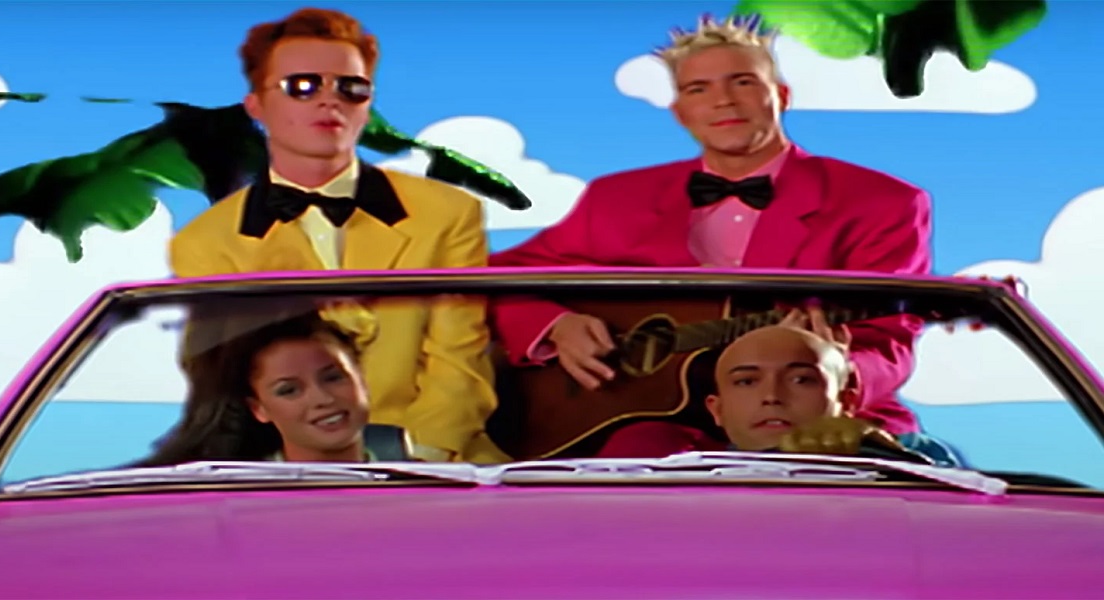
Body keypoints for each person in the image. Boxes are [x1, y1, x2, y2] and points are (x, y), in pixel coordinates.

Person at [489, 14, 952, 463]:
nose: (723, 101)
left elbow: (890, 339)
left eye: (742, 82)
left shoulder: (883, 201)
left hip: (819, 418)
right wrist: (556, 326)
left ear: (781, 95)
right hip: (647, 425)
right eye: (699, 89)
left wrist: (836, 367)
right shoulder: (615, 198)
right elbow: (497, 277)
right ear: (680, 112)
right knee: (624, 483)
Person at [168, 7, 509, 464]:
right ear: (256, 106)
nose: (330, 100)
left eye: (351, 87)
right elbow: (229, 382)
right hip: (291, 468)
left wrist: (414, 460)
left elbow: (460, 361)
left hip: (443, 459)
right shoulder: (205, 243)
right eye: (302, 86)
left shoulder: (448, 212)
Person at [139, 312, 407, 466]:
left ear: (361, 377)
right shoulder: (235, 496)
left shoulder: (425, 484)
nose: (323, 398)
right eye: (289, 390)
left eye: (333, 378)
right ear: (258, 408)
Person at [705, 320, 938, 464]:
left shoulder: (914, 451)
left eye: (801, 380)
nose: (772, 397)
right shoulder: (690, 479)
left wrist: (877, 451)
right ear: (716, 409)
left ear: (846, 401)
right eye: (746, 382)